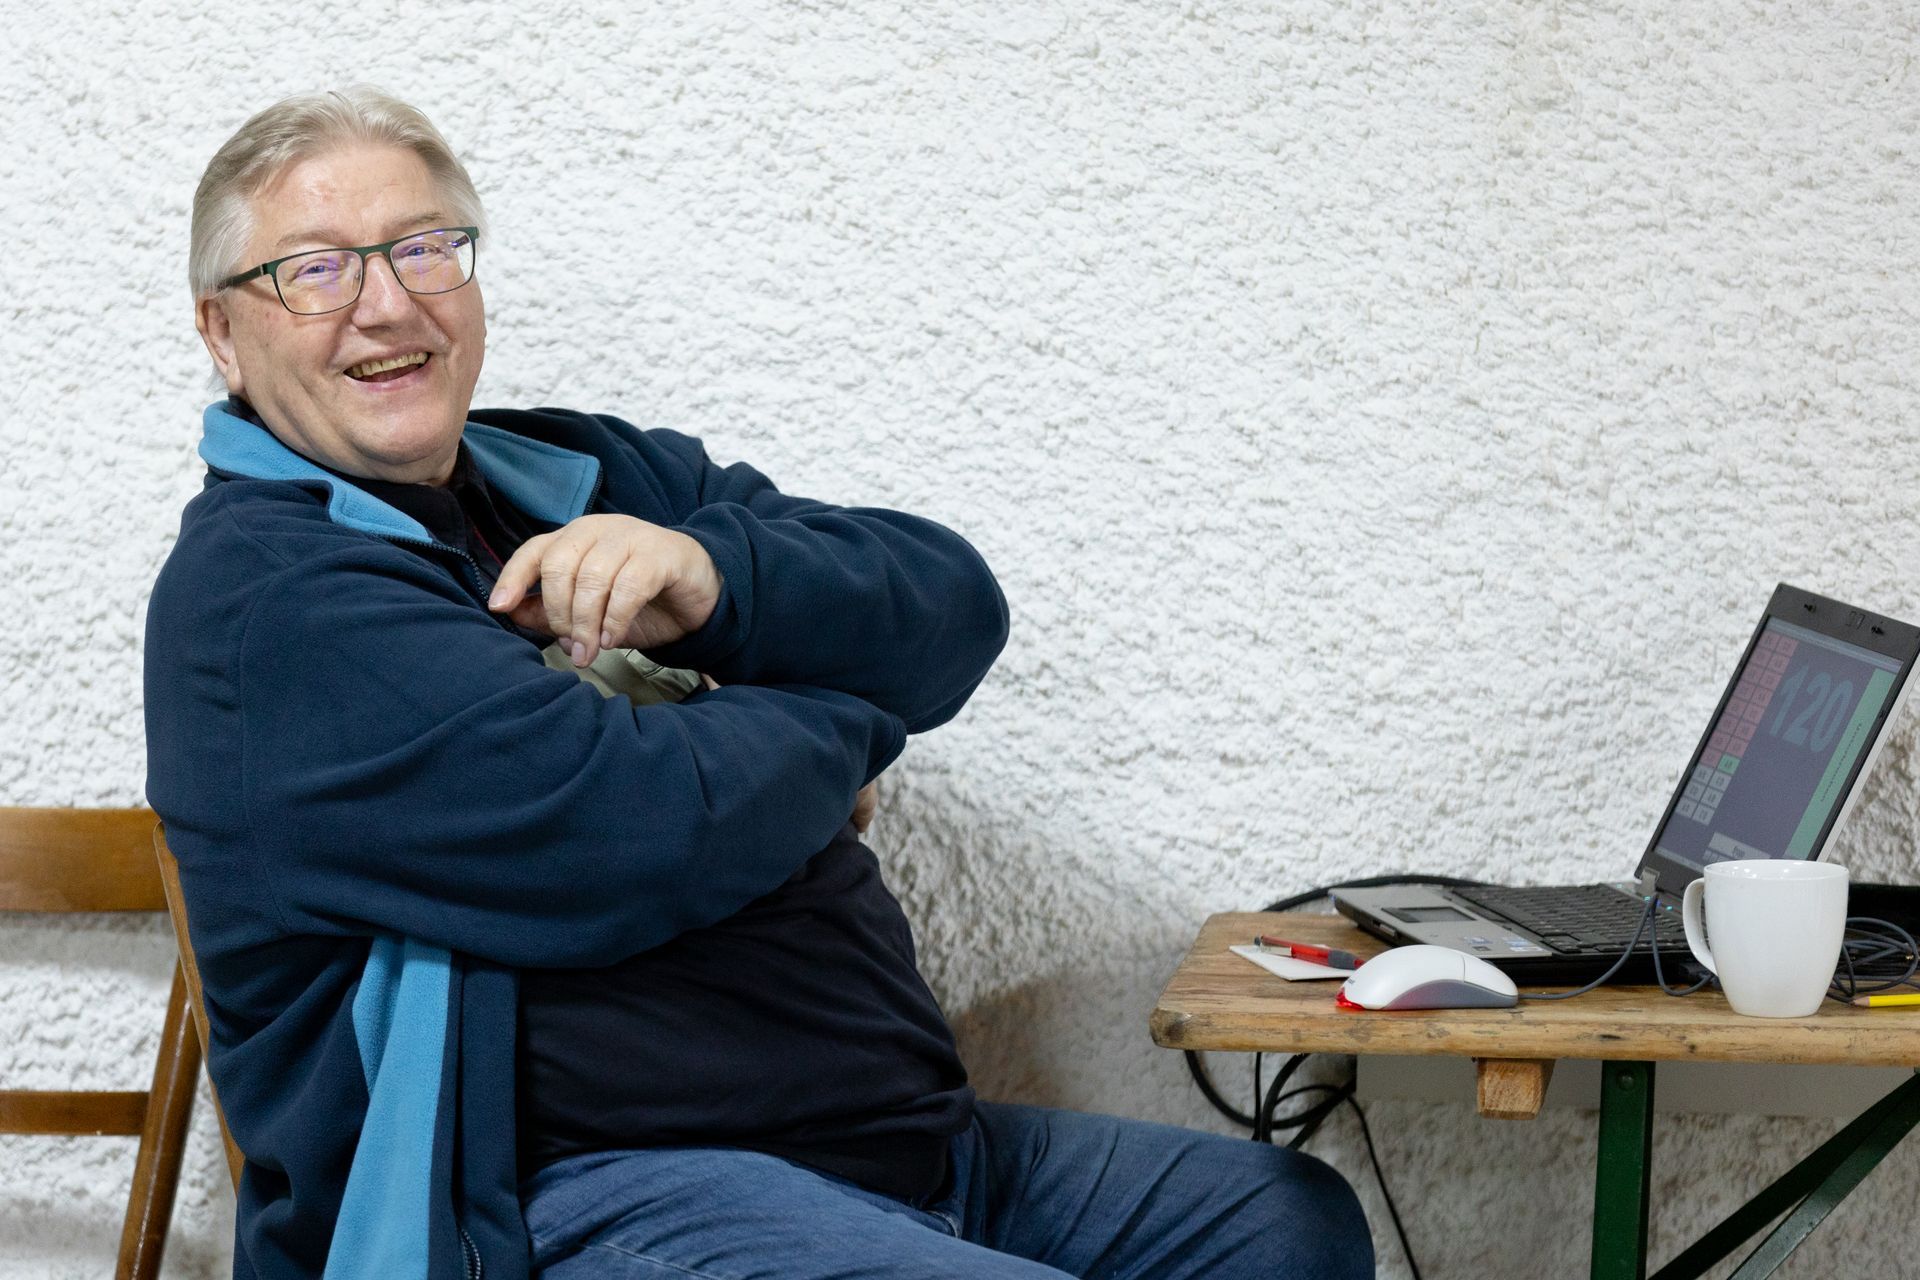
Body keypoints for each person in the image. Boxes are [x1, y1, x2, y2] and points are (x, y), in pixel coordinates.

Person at [144, 86, 1373, 1280]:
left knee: (1282, 1223)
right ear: (222, 333)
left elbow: (952, 608)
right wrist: (852, 711)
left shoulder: (579, 470)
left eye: (423, 248)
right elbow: (638, 825)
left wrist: (714, 578)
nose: (386, 304)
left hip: (895, 1147)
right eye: (315, 270)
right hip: (567, 1199)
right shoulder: (273, 598)